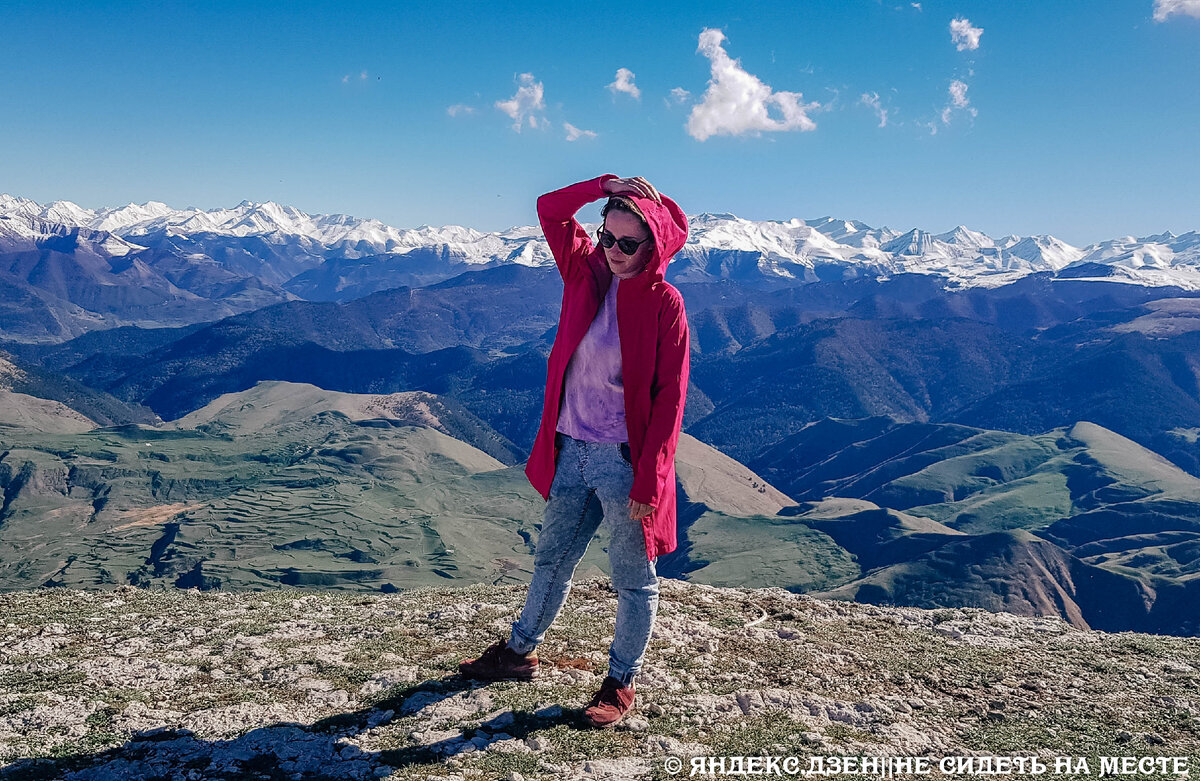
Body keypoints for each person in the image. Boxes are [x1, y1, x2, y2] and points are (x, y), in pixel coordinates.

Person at [459, 173, 690, 728]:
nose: (613, 251)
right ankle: (518, 653)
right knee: (552, 559)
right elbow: (550, 209)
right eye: (607, 237)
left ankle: (620, 682)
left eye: (627, 244)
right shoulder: (584, 271)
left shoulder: (665, 303)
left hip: (622, 459)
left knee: (633, 578)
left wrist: (650, 480)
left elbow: (669, 399)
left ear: (653, 244)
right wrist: (604, 184)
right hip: (569, 447)